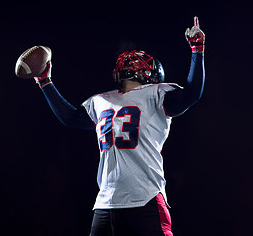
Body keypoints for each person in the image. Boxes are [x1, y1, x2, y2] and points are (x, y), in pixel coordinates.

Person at [32, 16, 205, 236]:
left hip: (145, 198)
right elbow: (71, 119)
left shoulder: (153, 94)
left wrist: (197, 50)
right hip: (107, 202)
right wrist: (45, 81)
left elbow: (191, 94)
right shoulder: (103, 100)